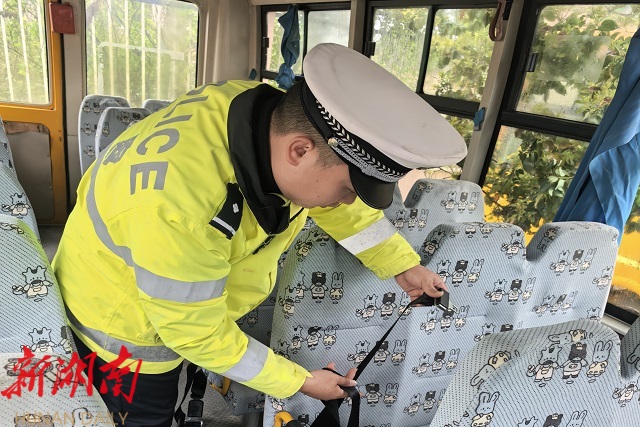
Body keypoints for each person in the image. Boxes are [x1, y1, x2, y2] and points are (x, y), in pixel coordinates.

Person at [52, 43, 466, 426]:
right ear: (300, 151)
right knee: (145, 416)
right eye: (347, 188)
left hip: (174, 293)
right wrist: (301, 382)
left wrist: (403, 266)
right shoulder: (180, 208)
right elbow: (198, 334)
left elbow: (342, 206)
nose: (347, 201)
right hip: (123, 331)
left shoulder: (262, 117)